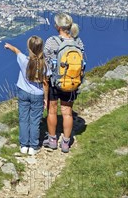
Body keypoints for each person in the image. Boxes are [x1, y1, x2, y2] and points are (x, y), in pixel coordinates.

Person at [42, 13, 84, 153]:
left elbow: (46, 64)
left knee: (52, 111)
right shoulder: (77, 42)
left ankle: (52, 140)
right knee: (67, 112)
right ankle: (66, 143)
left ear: (58, 26)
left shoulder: (51, 41)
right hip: (71, 82)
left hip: (54, 82)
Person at [4, 36, 47, 156]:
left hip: (23, 92)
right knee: (35, 121)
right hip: (37, 95)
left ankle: (23, 146)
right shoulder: (44, 64)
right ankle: (33, 146)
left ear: (29, 48)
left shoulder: (23, 60)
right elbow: (46, 83)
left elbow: (17, 51)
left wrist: (9, 47)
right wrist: (46, 98)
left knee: (23, 119)